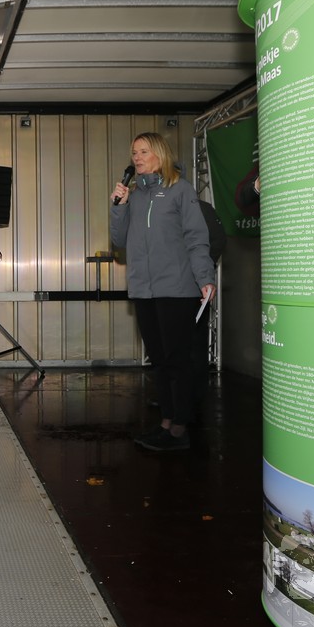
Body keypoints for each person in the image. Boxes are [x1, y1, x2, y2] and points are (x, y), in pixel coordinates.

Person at [110, 132, 216, 452]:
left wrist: (205, 277)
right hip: (144, 290)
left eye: (144, 151)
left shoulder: (180, 190)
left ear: (159, 154)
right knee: (159, 360)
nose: (137, 157)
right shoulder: (134, 195)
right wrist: (119, 207)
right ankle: (167, 422)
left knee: (176, 360)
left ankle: (179, 429)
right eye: (134, 152)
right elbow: (119, 240)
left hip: (177, 289)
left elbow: (196, 238)